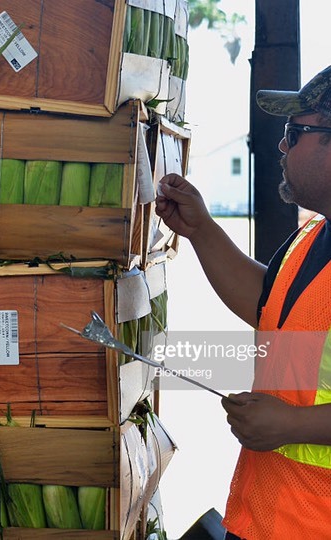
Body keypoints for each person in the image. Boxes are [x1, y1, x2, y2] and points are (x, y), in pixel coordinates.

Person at [155, 64, 331, 539]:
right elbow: (270, 305)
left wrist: (292, 423)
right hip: (265, 516)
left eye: (296, 132)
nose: (280, 145)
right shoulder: (313, 235)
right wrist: (200, 231)